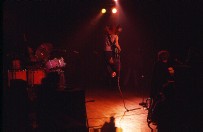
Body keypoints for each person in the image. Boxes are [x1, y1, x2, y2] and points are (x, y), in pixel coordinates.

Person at [148, 50, 175, 131]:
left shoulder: (161, 64)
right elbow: (159, 77)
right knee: (159, 102)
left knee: (159, 103)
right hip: (159, 88)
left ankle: (155, 118)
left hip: (160, 87)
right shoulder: (160, 65)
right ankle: (155, 118)